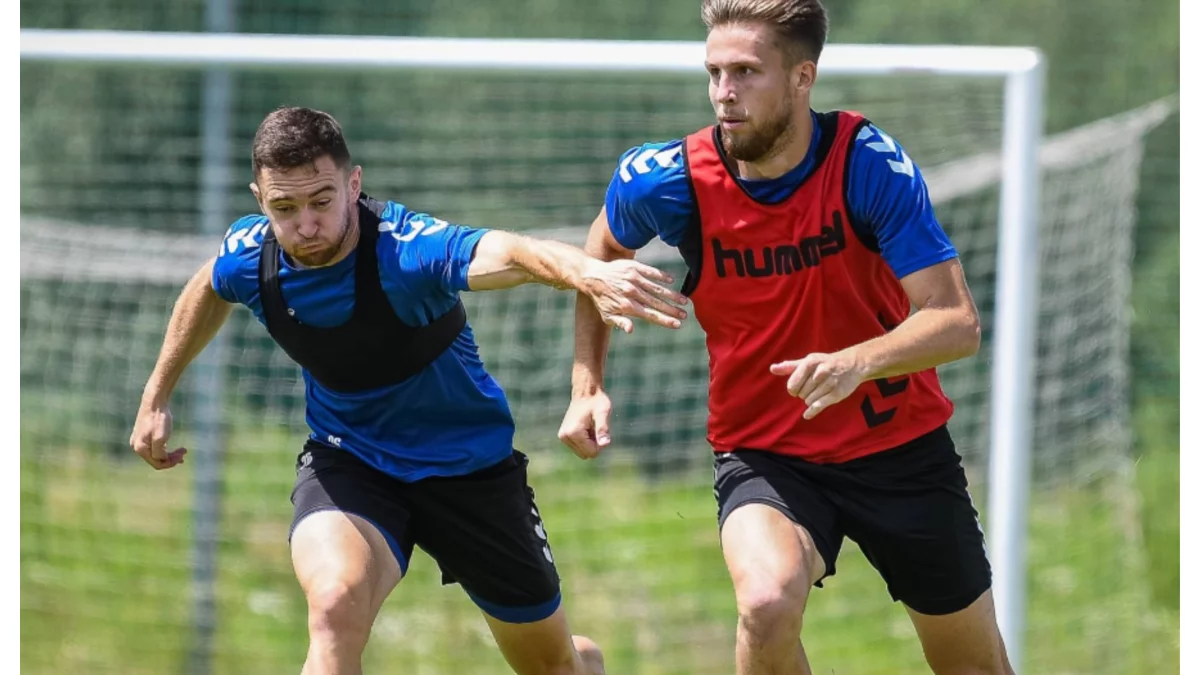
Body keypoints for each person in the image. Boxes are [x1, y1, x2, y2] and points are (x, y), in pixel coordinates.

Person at [129, 106, 689, 675]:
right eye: (284, 208)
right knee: (334, 604)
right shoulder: (252, 257)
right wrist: (156, 396)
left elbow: (510, 254)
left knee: (554, 666)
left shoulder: (406, 251)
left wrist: (587, 272)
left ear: (353, 185)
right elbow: (208, 285)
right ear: (260, 200)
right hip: (352, 460)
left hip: (470, 471)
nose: (306, 224)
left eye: (321, 201)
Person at [558, 1, 1015, 673]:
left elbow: (955, 321)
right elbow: (599, 253)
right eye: (714, 73)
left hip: (900, 447)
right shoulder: (668, 179)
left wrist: (857, 362)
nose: (724, 93)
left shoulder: (867, 165)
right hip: (764, 452)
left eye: (746, 72)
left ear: (803, 77)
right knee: (767, 601)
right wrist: (587, 385)